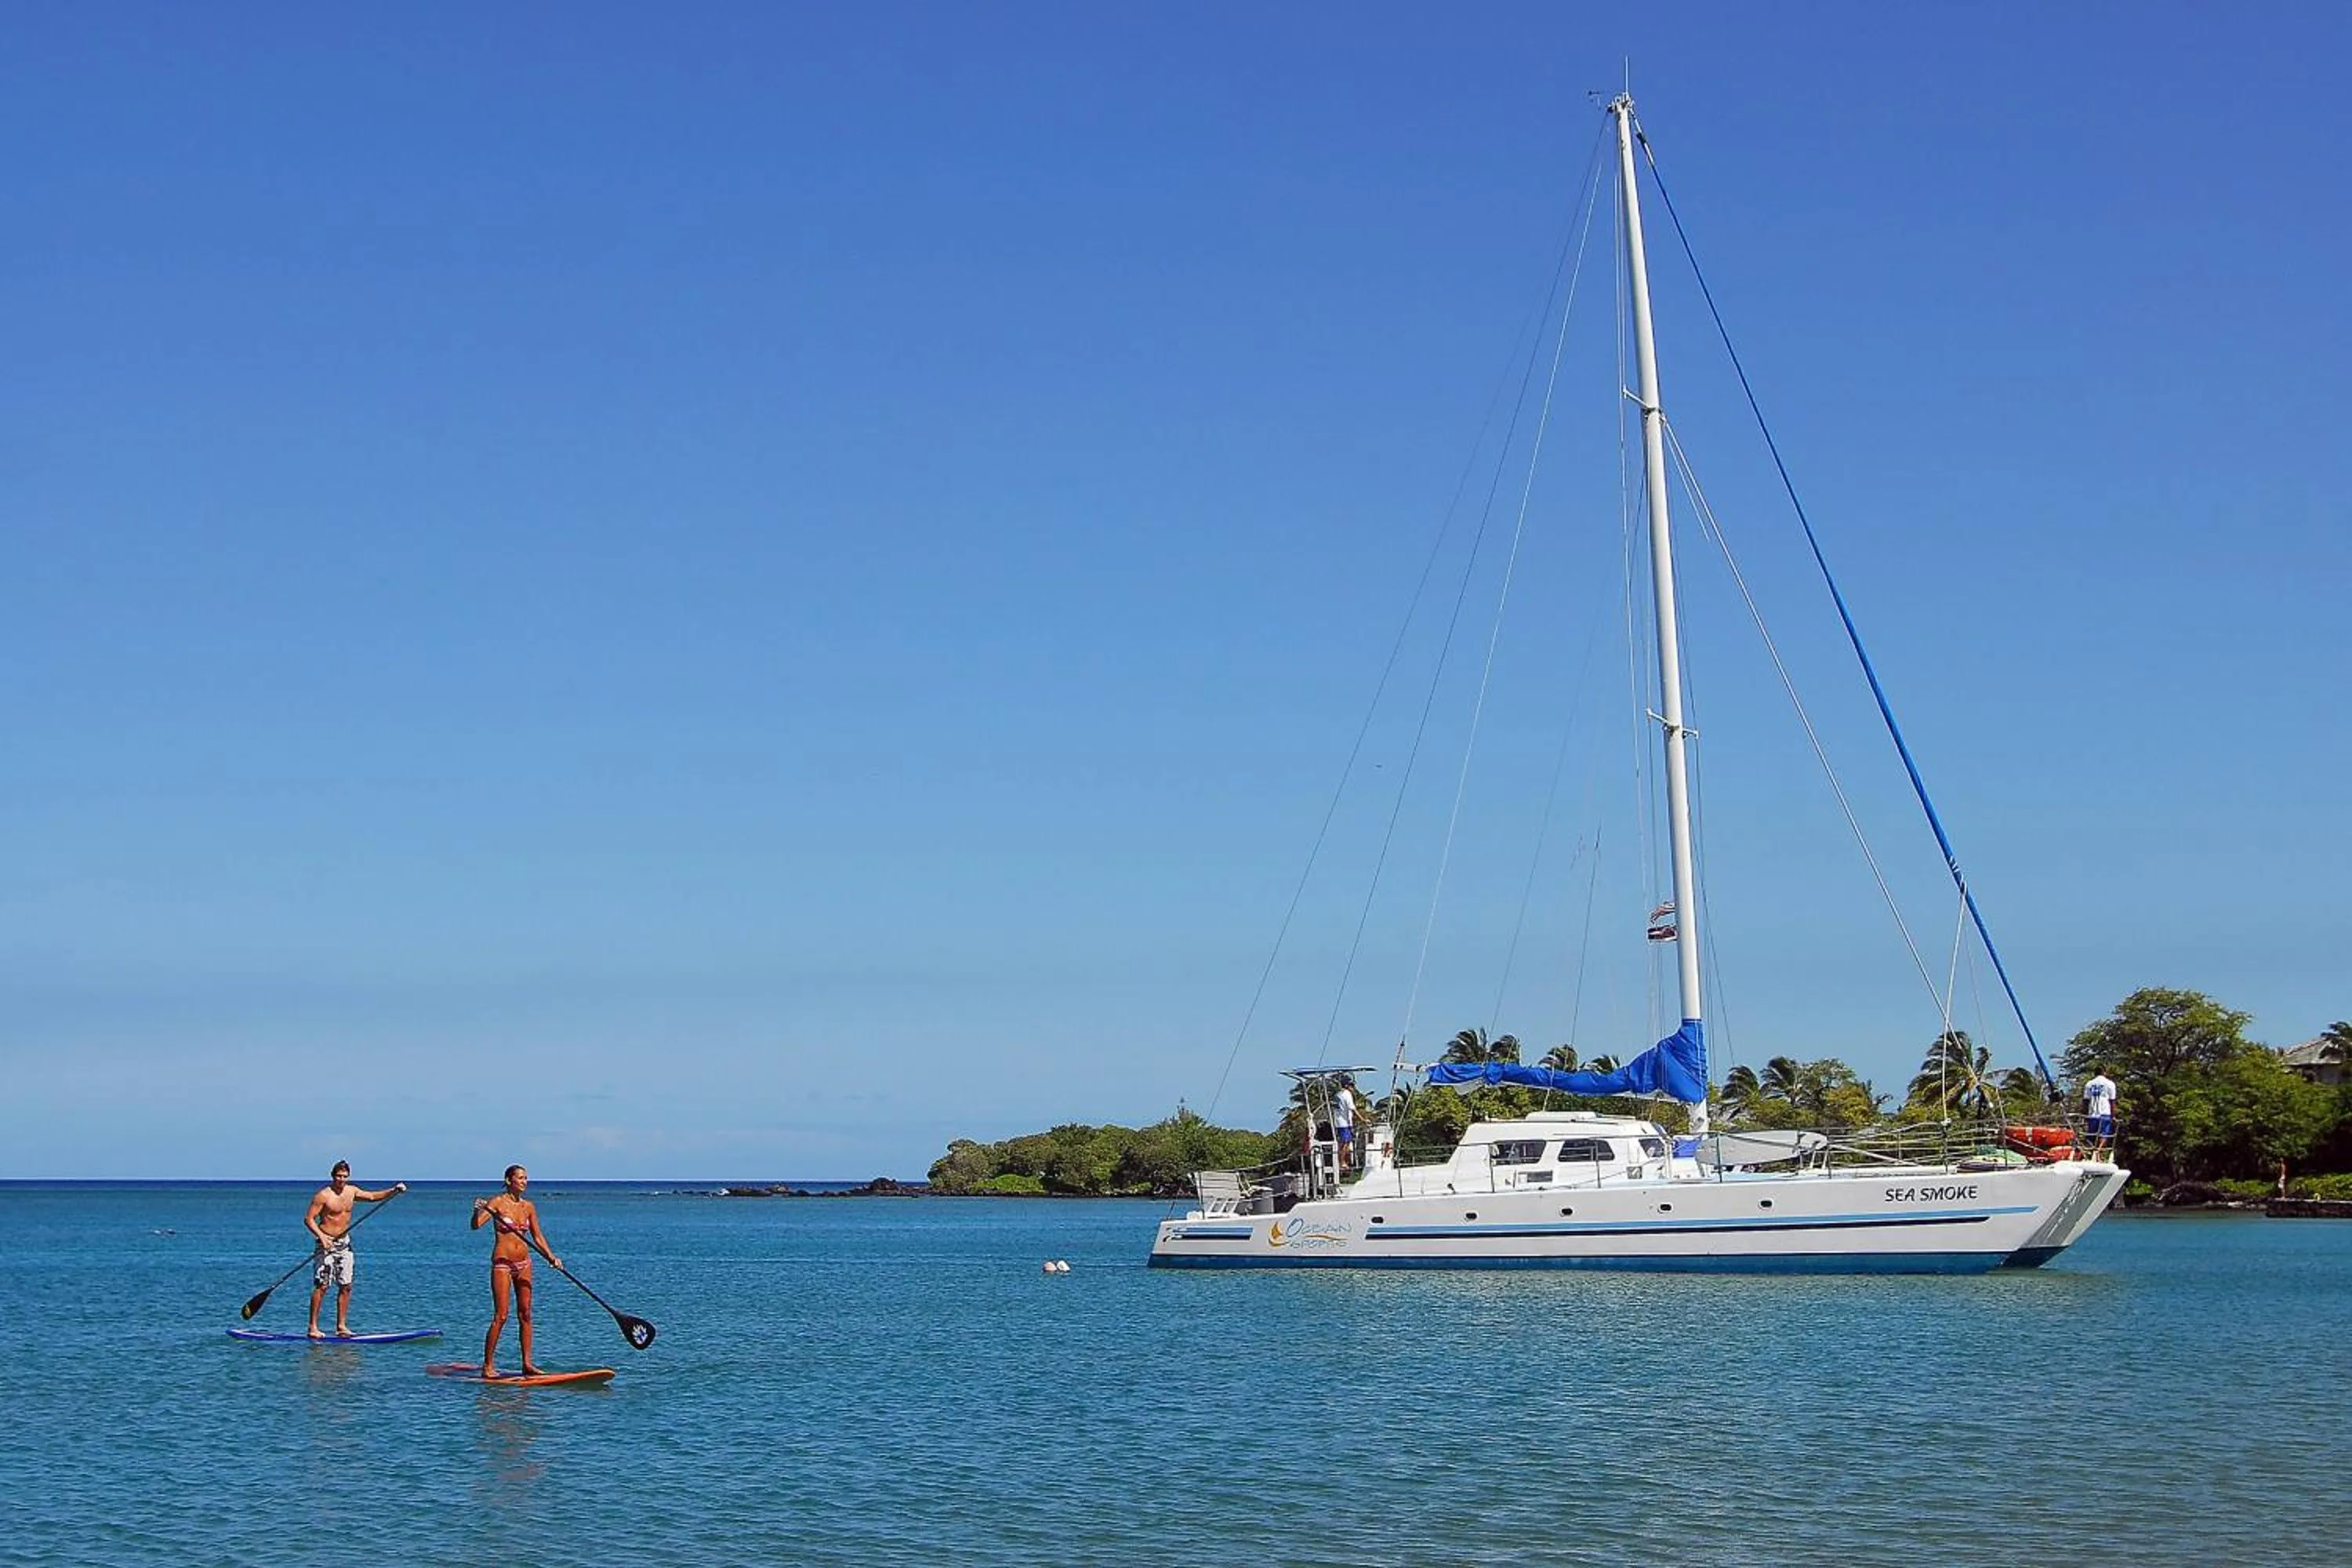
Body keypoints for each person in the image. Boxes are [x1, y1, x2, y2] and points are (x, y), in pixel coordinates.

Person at [471, 1164, 560, 1378]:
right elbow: (475, 1225)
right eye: (520, 1178)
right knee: (501, 1316)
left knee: (526, 1314)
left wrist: (551, 1257)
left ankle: (527, 1364)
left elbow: (538, 1237)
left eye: (526, 1178)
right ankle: (488, 1365)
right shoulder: (497, 1203)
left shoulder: (528, 1207)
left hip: (524, 1264)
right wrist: (477, 1210)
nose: (524, 1182)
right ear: (509, 1180)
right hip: (502, 1264)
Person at [303, 1160, 407, 1339]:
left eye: (344, 1176)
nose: (341, 1180)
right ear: (332, 1176)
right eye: (338, 1176)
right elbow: (309, 1219)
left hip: (344, 1244)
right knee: (322, 1286)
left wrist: (393, 1190)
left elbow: (373, 1197)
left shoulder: (352, 1192)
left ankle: (341, 1326)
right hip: (325, 1245)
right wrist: (322, 1237)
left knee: (346, 1285)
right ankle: (313, 1327)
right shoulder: (323, 1196)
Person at [2082, 1069, 2119, 1158]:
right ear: (2104, 1072)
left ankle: (2093, 1153)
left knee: (2092, 1135)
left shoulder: (2089, 1084)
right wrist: (2113, 1116)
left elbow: (2085, 1102)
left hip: (2092, 1114)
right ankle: (2098, 1152)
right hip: (2105, 1112)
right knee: (2104, 1134)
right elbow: (2112, 1101)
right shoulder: (2110, 1084)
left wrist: (2084, 1115)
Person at [1331, 1076, 1359, 1175]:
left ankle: (1346, 1163)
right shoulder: (1347, 1095)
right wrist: (1363, 1119)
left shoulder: (1338, 1095)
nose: (1353, 1087)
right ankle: (1342, 1163)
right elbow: (1352, 1109)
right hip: (1344, 1123)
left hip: (1341, 1122)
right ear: (1347, 1086)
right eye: (1351, 1085)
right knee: (1344, 1143)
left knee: (1346, 1143)